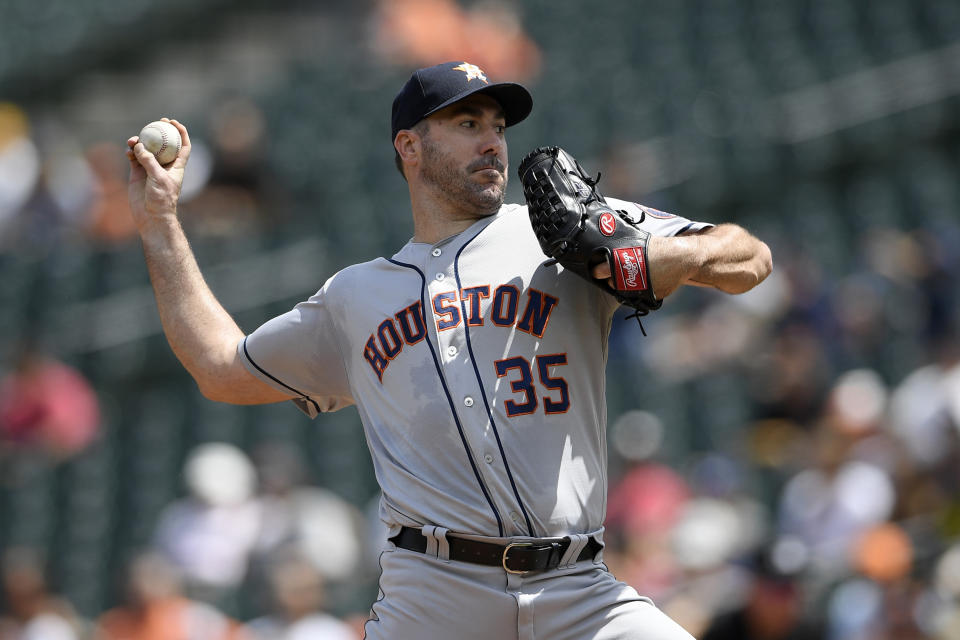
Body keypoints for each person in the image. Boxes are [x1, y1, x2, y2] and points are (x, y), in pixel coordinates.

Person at [126, 61, 772, 639]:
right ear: (409, 146)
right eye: (467, 122)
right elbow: (221, 370)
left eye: (497, 124)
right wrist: (159, 223)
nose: (492, 139)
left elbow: (750, 258)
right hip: (434, 600)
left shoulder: (562, 235)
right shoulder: (355, 297)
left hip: (579, 591)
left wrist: (656, 256)